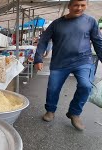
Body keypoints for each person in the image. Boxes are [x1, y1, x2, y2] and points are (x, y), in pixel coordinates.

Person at [34, 0, 102, 131]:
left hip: (83, 61)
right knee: (53, 88)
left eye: (83, 5)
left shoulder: (91, 21)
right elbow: (43, 40)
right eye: (76, 5)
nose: (79, 8)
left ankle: (74, 113)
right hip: (60, 62)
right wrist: (38, 59)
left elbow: (98, 42)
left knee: (86, 85)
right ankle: (50, 110)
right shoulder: (56, 24)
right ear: (69, 6)